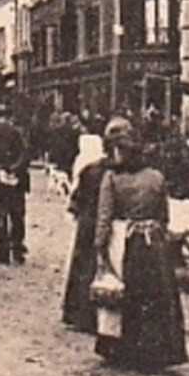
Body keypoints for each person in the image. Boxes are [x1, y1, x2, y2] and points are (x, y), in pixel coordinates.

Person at [90, 121, 187, 371]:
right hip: (154, 242)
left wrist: (100, 248)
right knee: (156, 296)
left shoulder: (112, 178)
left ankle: (123, 350)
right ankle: (158, 350)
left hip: (125, 240)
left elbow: (104, 217)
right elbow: (164, 215)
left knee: (124, 295)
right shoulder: (156, 177)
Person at [61, 121, 117, 333]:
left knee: (83, 267)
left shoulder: (89, 170)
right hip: (108, 223)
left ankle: (78, 314)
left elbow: (76, 200)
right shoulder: (115, 170)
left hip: (87, 223)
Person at [0, 105, 31, 265]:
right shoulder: (17, 132)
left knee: (0, 214)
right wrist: (15, 169)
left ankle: (3, 250)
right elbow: (25, 154)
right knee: (17, 215)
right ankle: (17, 248)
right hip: (16, 180)